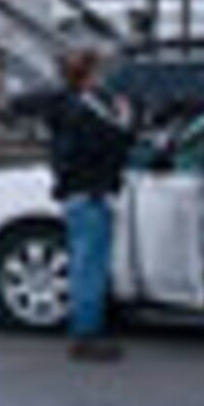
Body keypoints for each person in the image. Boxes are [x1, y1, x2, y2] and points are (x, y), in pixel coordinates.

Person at [44, 45, 133, 363]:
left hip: (78, 193)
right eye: (100, 71)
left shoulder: (68, 108)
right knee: (89, 268)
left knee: (86, 265)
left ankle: (87, 331)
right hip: (91, 193)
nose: (105, 77)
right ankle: (85, 335)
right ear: (89, 75)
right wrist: (124, 117)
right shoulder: (85, 110)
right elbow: (112, 142)